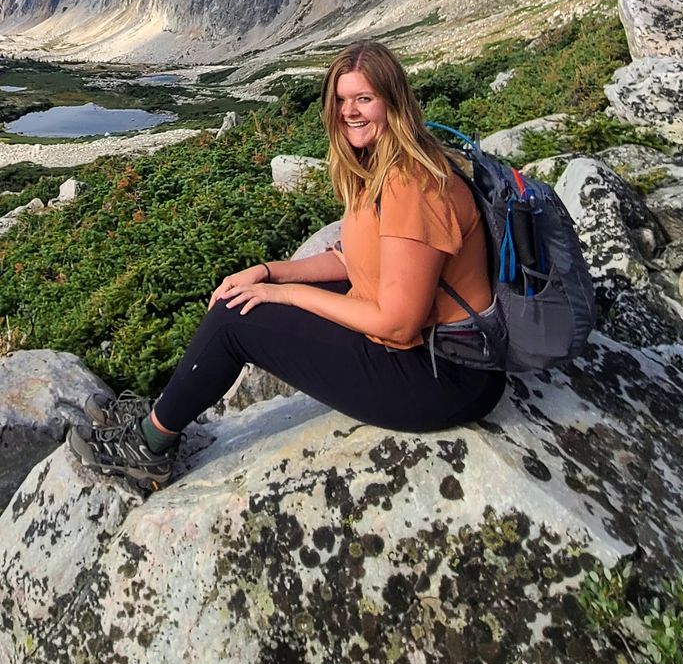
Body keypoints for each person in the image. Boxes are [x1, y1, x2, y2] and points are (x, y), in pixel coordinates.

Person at [68, 39, 507, 491]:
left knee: (238, 319)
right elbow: (354, 261)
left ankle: (148, 449)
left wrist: (286, 294)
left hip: (444, 378)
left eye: (364, 98)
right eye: (341, 100)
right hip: (429, 353)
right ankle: (164, 412)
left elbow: (397, 324)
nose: (350, 112)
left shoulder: (409, 185)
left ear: (393, 102)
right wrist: (268, 272)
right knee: (246, 297)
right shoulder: (385, 165)